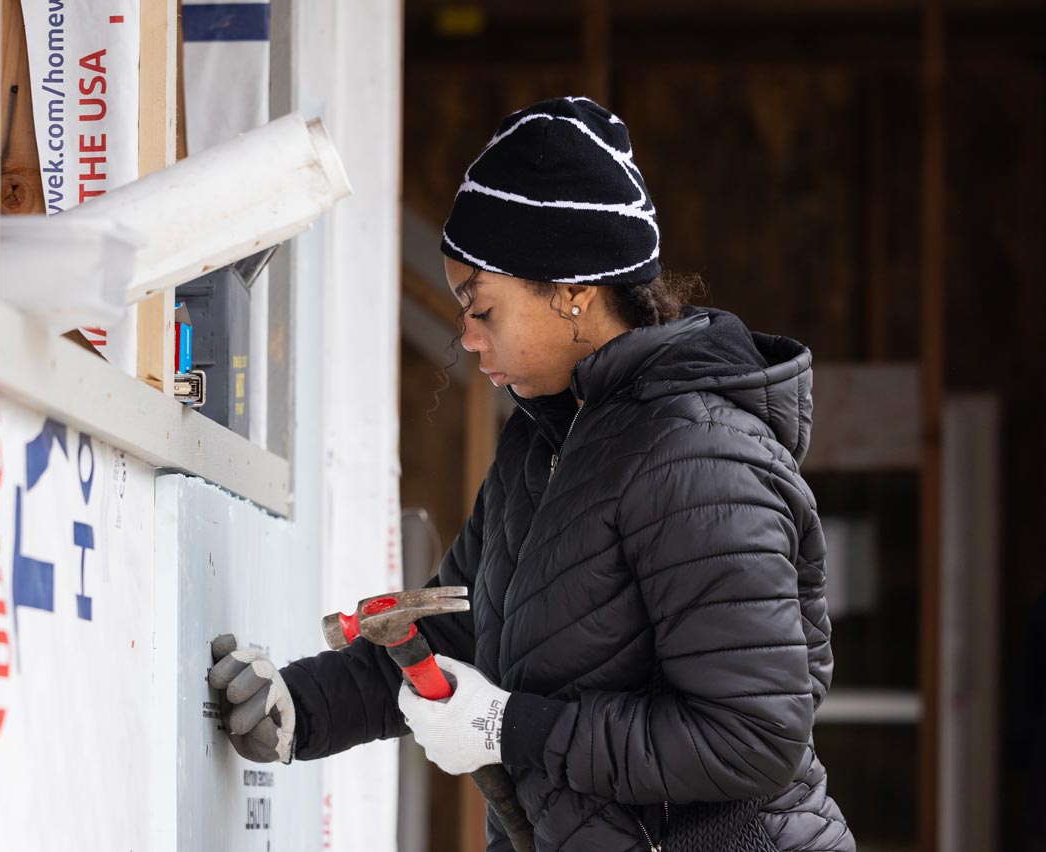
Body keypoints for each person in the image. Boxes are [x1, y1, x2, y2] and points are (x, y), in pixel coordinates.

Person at [206, 97, 855, 852]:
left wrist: (507, 727)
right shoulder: (544, 445)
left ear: (571, 291)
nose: (469, 339)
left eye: (480, 307)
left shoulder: (701, 459)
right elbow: (456, 638)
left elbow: (748, 736)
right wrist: (298, 707)